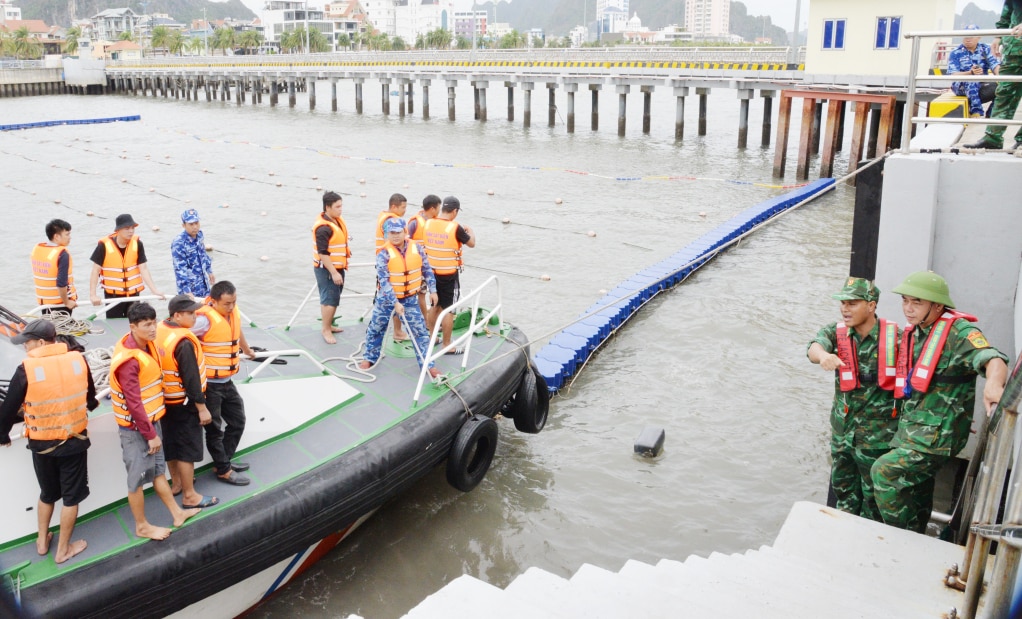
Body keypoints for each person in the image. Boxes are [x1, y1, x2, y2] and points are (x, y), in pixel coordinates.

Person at [871, 271, 1009, 533]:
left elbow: (993, 359)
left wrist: (993, 383)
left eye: (917, 303)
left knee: (884, 472)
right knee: (919, 487)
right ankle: (920, 531)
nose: (908, 309)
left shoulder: (960, 333)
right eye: (905, 301)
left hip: (938, 435)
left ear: (936, 305)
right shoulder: (919, 332)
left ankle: (902, 535)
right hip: (914, 428)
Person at [0, 319, 98, 563]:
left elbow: (8, 409)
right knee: (71, 498)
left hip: (41, 445)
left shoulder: (26, 369)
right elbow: (91, 397)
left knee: (47, 493)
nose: (24, 347)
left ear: (41, 342)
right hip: (73, 442)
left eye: (27, 342)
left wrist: (3, 435)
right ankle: (63, 549)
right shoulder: (79, 359)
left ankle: (42, 541)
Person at [807, 278, 899, 522]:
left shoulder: (897, 338)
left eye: (853, 303)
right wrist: (824, 356)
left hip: (878, 437)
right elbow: (814, 347)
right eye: (843, 303)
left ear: (871, 305)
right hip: (843, 431)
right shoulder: (836, 333)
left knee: (875, 499)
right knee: (844, 492)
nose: (845, 309)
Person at [109, 302, 200, 540]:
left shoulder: (148, 345)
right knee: (137, 481)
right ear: (133, 327)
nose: (152, 329)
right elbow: (133, 402)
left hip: (152, 422)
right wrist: (150, 435)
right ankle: (142, 526)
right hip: (137, 429)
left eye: (153, 323)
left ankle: (177, 513)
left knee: (159, 473)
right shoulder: (129, 361)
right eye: (146, 325)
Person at [358, 218, 441, 380]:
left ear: (405, 232)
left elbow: (427, 270)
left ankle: (428, 364)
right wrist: (395, 302)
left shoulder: (417, 248)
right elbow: (384, 280)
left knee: (420, 332)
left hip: (410, 298)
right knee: (376, 328)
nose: (395, 236)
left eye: (398, 232)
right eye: (392, 233)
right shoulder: (383, 253)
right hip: (387, 300)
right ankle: (369, 357)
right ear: (387, 234)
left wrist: (433, 290)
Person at [156, 295, 218, 510]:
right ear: (177, 315)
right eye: (191, 313)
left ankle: (177, 483)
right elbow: (191, 378)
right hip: (185, 404)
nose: (195, 316)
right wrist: (202, 408)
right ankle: (190, 496)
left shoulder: (160, 330)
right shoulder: (183, 342)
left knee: (171, 444)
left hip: (165, 401)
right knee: (187, 449)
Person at [193, 280, 256, 486]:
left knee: (238, 421)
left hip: (227, 381)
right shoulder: (203, 320)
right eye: (227, 303)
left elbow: (237, 333)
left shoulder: (232, 312)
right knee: (214, 429)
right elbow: (180, 337)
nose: (231, 307)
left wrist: (247, 350)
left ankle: (224, 461)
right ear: (213, 301)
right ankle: (223, 470)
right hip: (210, 385)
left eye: (233, 302)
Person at [965, 2, 1022, 150]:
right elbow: (1008, 11)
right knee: (1004, 92)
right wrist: (998, 36)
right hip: (1014, 48)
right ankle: (993, 138)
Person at [423, 196, 476, 354]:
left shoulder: (429, 223)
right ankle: (447, 344)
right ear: (454, 211)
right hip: (448, 275)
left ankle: (432, 337)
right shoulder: (455, 228)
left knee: (434, 305)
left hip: (431, 273)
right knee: (448, 309)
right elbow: (472, 243)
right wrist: (470, 231)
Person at [89, 214, 165, 319]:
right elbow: (95, 270)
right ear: (118, 230)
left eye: (133, 228)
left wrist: (154, 290)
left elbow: (143, 268)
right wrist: (93, 295)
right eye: (127, 228)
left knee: (134, 323)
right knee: (115, 326)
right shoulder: (104, 246)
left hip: (133, 295)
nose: (131, 231)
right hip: (113, 297)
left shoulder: (138, 244)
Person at [313, 191, 351, 345]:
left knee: (329, 298)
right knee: (331, 299)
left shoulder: (335, 221)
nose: (341, 209)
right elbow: (323, 253)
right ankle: (326, 330)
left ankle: (327, 325)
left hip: (336, 266)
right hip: (328, 270)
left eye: (341, 206)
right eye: (337, 207)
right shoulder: (323, 228)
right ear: (327, 207)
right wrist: (334, 273)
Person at [376, 193, 410, 340]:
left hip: (385, 262)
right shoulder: (390, 221)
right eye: (403, 208)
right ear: (394, 206)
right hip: (390, 264)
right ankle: (397, 331)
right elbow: (392, 243)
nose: (405, 211)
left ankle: (395, 331)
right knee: (396, 297)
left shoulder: (383, 216)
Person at [948, 24, 1000, 118]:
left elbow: (994, 65)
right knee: (971, 81)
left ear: (978, 37)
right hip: (961, 86)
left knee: (1003, 87)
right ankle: (976, 112)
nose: (968, 39)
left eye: (971, 37)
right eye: (965, 37)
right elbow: (953, 74)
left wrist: (1001, 78)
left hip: (982, 84)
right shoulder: (955, 52)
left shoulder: (985, 49)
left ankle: (992, 114)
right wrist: (970, 73)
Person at [31, 219, 78, 315]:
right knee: (62, 328)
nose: (70, 237)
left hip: (45, 304)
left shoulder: (38, 250)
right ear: (56, 236)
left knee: (49, 329)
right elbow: (61, 283)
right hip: (60, 305)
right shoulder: (62, 254)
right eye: (67, 234)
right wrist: (67, 302)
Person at [407, 195, 441, 318]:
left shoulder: (436, 222)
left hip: (433, 264)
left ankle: (434, 318)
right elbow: (405, 242)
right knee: (421, 293)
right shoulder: (415, 223)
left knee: (435, 292)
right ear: (432, 208)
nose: (439, 211)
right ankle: (426, 320)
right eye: (438, 208)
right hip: (419, 265)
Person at [171, 208, 215, 298]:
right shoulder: (179, 243)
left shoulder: (199, 235)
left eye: (196, 223)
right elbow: (180, 269)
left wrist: (209, 271)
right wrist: (187, 291)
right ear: (183, 225)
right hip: (190, 289)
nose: (195, 227)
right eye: (191, 224)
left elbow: (203, 254)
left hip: (203, 285)